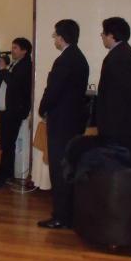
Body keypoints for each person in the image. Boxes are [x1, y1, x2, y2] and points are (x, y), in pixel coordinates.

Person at [38, 19, 89, 229]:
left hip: (61, 123)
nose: (54, 38)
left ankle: (61, 216)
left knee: (60, 170)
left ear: (62, 37)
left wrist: (42, 108)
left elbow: (53, 90)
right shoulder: (79, 58)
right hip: (72, 122)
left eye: (55, 35)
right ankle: (68, 213)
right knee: (67, 168)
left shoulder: (65, 60)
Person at [97, 17, 131, 146]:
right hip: (121, 123)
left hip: (117, 125)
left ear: (111, 35)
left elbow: (129, 91)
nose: (101, 35)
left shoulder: (119, 57)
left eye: (103, 33)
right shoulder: (125, 53)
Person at [0, 38, 33, 190]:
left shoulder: (26, 66)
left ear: (24, 51)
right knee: (5, 142)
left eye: (15, 47)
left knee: (8, 143)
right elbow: (1, 84)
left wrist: (3, 69)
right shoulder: (15, 64)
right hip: (6, 110)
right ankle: (4, 171)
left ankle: (3, 175)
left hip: (14, 111)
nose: (12, 50)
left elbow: (15, 85)